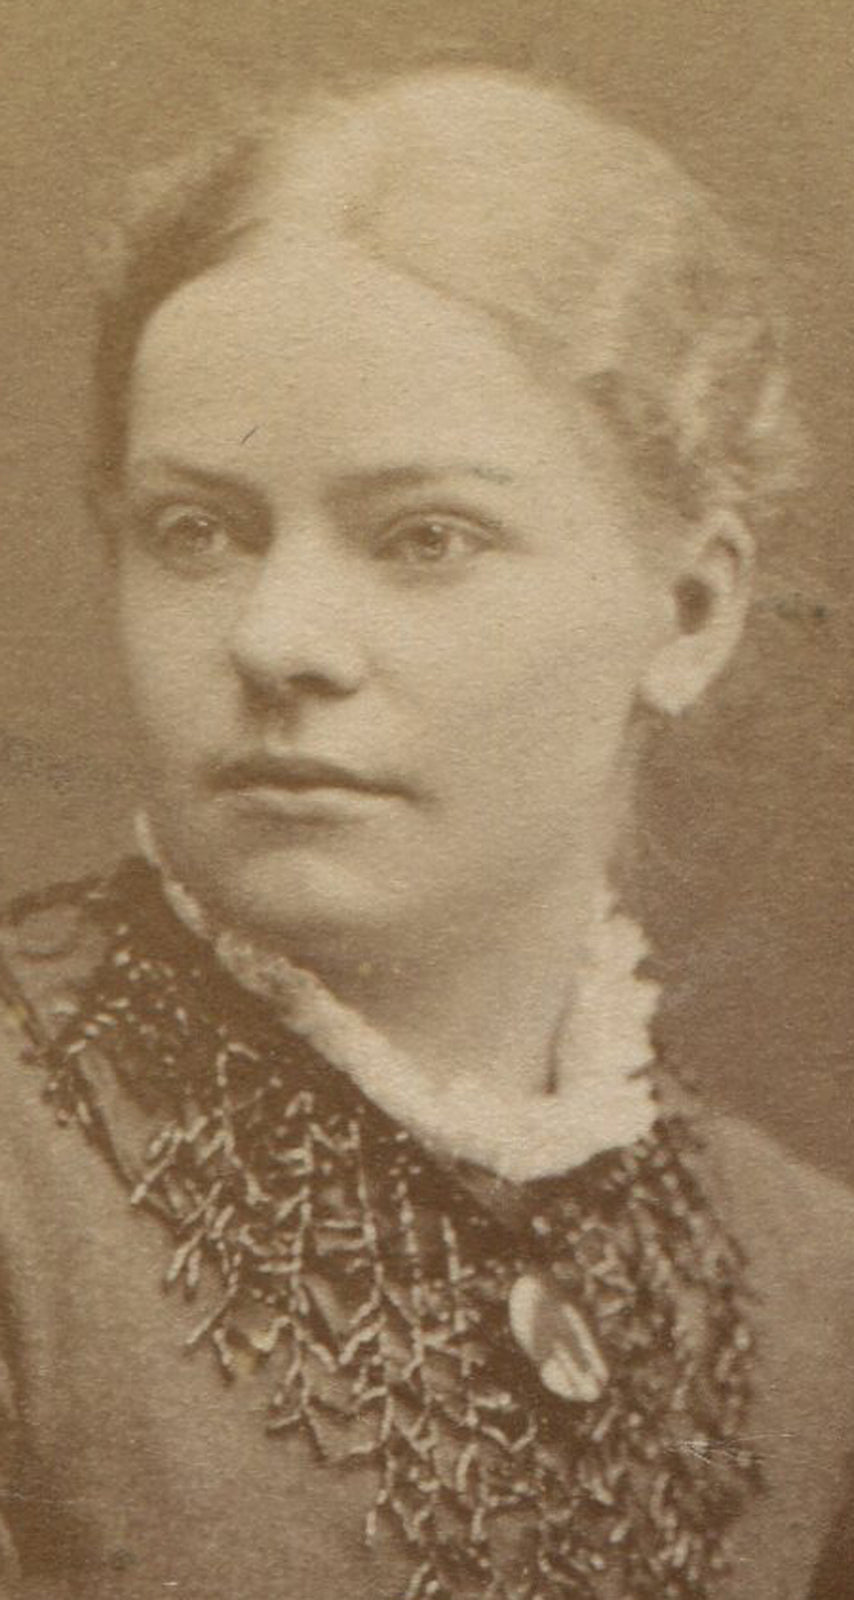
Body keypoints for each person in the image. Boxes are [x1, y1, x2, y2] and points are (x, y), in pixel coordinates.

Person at [0, 63, 852, 1600]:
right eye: (196, 532)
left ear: (691, 609)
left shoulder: (809, 1290)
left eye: (423, 539)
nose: (276, 638)